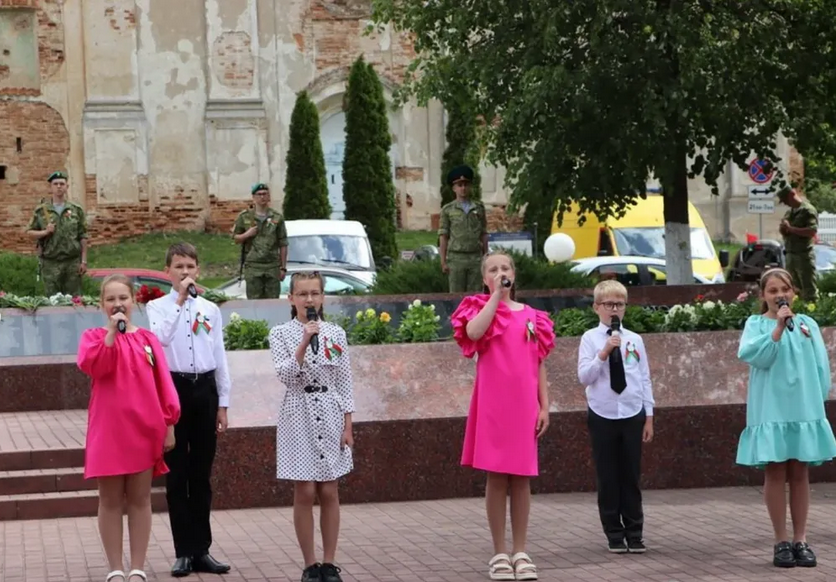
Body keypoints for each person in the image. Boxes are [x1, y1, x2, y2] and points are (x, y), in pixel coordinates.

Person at [450, 251, 555, 581]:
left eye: (505, 268)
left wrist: (544, 405)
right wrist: (495, 296)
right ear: (485, 278)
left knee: (521, 477)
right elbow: (475, 333)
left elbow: (538, 363)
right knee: (496, 476)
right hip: (494, 404)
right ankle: (499, 552)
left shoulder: (532, 316)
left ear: (515, 273)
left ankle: (520, 551)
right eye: (493, 270)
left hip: (524, 404)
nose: (500, 273)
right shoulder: (480, 309)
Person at [76, 274, 181, 582]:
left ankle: (136, 567)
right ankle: (115, 568)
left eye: (123, 298)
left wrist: (169, 423)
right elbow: (95, 366)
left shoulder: (148, 339)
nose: (117, 304)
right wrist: (112, 334)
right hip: (108, 430)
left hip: (144, 427)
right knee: (109, 500)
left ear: (134, 301)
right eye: (110, 299)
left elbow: (164, 383)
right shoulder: (94, 337)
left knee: (140, 499)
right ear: (101, 304)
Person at [736, 268, 836, 568]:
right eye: (773, 291)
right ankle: (780, 540)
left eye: (785, 289)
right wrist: (777, 329)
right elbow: (755, 356)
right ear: (763, 296)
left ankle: (801, 539)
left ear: (794, 292)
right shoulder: (756, 325)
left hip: (803, 408)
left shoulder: (807, 325)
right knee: (776, 471)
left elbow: (820, 367)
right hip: (771, 408)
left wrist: (817, 403)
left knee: (800, 472)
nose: (780, 295)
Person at [146, 243, 233, 577]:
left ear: (198, 270)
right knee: (176, 474)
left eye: (190, 266)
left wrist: (223, 403)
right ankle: (183, 551)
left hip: (204, 389)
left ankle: (202, 549)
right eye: (179, 266)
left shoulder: (210, 308)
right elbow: (161, 340)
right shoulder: (158, 307)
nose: (185, 272)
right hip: (174, 389)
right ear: (168, 271)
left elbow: (220, 355)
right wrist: (180, 301)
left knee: (201, 475)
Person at [267, 271, 355, 582]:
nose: (309, 300)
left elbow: (344, 381)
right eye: (302, 294)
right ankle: (310, 564)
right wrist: (304, 340)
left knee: (329, 489)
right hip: (298, 413)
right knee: (304, 490)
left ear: (322, 297)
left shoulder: (336, 333)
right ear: (291, 299)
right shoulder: (280, 334)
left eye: (315, 293)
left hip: (330, 411)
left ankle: (330, 563)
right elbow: (288, 376)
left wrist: (348, 424)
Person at [577, 280, 655, 554]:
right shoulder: (590, 339)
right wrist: (604, 352)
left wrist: (649, 416)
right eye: (609, 305)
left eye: (619, 305)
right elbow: (584, 377)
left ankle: (635, 532)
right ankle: (613, 532)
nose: (614, 310)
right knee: (608, 475)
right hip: (603, 413)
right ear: (597, 308)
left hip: (632, 412)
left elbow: (643, 377)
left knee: (630, 475)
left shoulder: (635, 339)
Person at [25, 171, 88, 296]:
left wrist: (84, 261)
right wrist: (45, 232)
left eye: (62, 184)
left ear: (66, 187)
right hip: (50, 262)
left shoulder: (76, 209)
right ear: (51, 187)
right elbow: (29, 232)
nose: (59, 186)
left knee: (74, 300)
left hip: (72, 262)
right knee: (52, 301)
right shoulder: (42, 210)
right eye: (55, 184)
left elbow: (83, 236)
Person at [232, 183, 289, 299]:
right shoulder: (245, 217)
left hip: (272, 265)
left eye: (265, 194)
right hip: (253, 266)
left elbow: (283, 243)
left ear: (269, 197)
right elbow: (235, 238)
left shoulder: (277, 217)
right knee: (254, 302)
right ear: (253, 197)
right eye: (259, 194)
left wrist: (283, 267)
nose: (262, 197)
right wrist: (247, 234)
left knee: (273, 302)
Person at [438, 165, 489, 293]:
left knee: (476, 295)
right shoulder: (448, 209)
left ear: (470, 186)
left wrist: (486, 256)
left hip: (475, 258)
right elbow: (443, 235)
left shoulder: (478, 207)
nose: (463, 188)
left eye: (466, 184)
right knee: (456, 295)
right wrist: (443, 261)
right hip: (456, 258)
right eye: (459, 185)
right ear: (454, 188)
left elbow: (483, 233)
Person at [777, 187, 818, 301]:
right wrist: (783, 228)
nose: (785, 203)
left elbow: (811, 231)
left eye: (785, 199)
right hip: (790, 254)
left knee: (808, 290)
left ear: (792, 194)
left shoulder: (807, 210)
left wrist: (791, 228)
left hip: (803, 255)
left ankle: (812, 313)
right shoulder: (790, 212)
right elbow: (785, 232)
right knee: (793, 289)